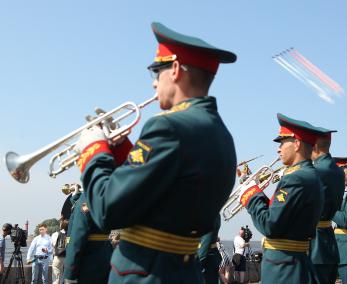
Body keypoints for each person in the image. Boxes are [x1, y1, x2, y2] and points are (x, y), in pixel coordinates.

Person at [74, 22, 237, 283]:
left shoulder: (167, 125)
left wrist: (93, 149)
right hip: (184, 271)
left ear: (173, 69)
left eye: (155, 72)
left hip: (144, 272)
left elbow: (107, 210)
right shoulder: (220, 133)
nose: (153, 84)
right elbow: (167, 191)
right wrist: (121, 150)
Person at [239, 114, 324, 283]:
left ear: (297, 144)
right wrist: (254, 191)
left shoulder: (295, 178)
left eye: (283, 142)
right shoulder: (309, 175)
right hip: (292, 263)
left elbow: (270, 225)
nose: (279, 149)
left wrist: (249, 196)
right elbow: (278, 211)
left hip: (283, 268)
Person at [309, 128, 345, 284]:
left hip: (314, 244)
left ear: (314, 146)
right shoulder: (338, 171)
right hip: (328, 240)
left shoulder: (315, 170)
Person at [64, 192, 113, 284]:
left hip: (88, 261)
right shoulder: (106, 196)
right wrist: (75, 197)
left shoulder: (87, 197)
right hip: (106, 255)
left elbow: (76, 239)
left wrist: (69, 272)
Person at [198, 215, 222, 284]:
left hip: (206, 258)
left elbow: (206, 242)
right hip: (207, 256)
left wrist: (197, 263)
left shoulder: (208, 214)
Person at [51, 217, 68, 284]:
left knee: (56, 277)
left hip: (57, 257)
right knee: (65, 277)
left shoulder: (55, 234)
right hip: (66, 258)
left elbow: (53, 245)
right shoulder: (69, 234)